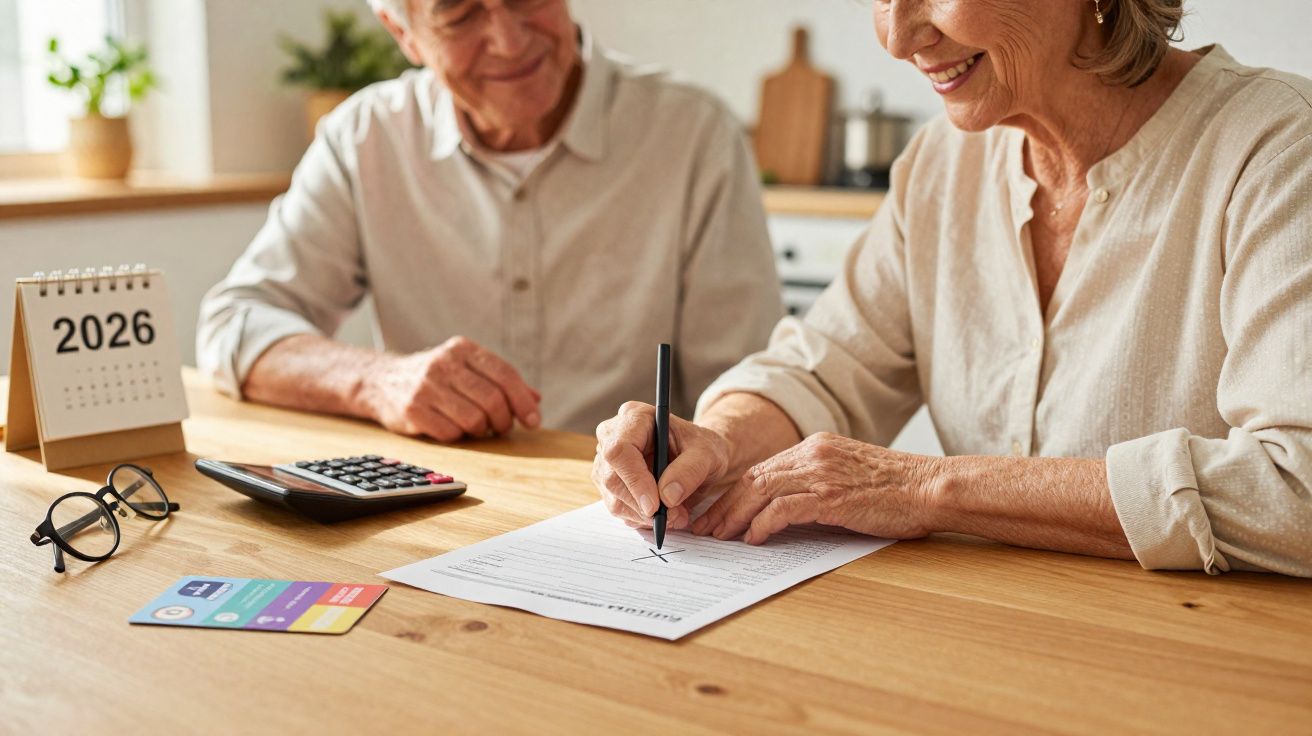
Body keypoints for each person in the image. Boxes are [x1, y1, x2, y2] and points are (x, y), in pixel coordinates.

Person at [594, 0, 1312, 576]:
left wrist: (929, 489)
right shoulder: (943, 161)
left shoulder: (1279, 150)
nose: (900, 36)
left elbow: (1298, 488)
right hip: (979, 644)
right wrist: (716, 441)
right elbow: (827, 368)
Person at [197, 0, 782, 438]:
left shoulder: (693, 134)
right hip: (432, 508)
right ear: (404, 34)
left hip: (633, 518)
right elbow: (234, 325)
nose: (507, 40)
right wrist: (377, 382)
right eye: (459, 13)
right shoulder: (365, 138)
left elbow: (745, 385)